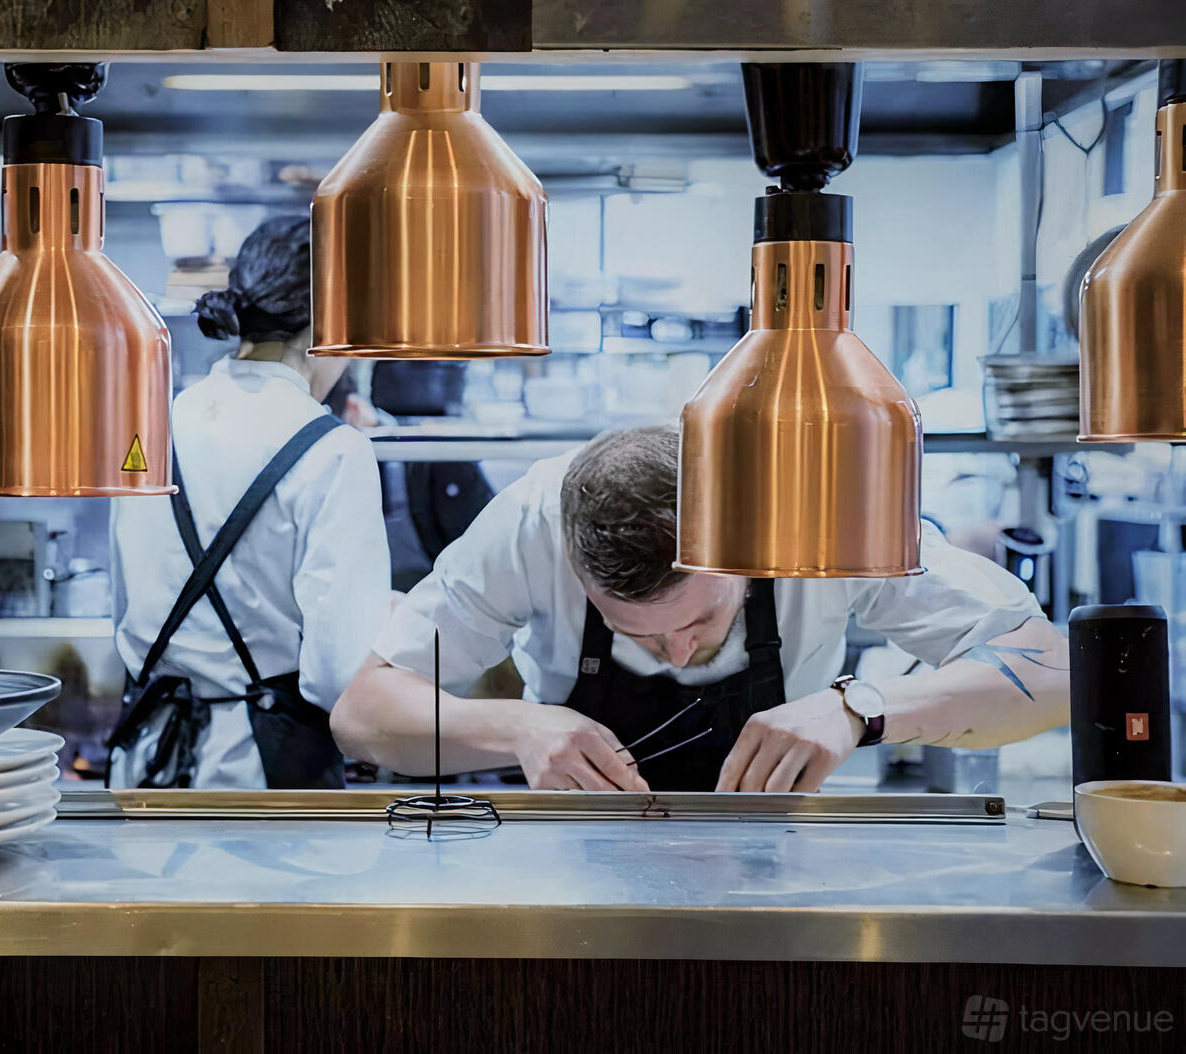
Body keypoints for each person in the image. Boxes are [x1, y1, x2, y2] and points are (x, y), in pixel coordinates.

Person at [332, 425, 1069, 793]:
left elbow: (1057, 672)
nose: (678, 653)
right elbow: (362, 717)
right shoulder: (530, 522)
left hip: (780, 858)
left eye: (698, 622)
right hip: (575, 857)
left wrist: (860, 710)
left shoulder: (821, 515)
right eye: (636, 634)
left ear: (745, 556)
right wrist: (517, 726)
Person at [106, 217, 391, 789]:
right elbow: (339, 674)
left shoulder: (148, 425)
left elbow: (126, 600)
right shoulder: (334, 450)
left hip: (144, 765)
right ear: (332, 320)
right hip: (262, 782)